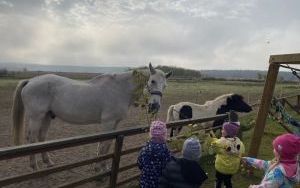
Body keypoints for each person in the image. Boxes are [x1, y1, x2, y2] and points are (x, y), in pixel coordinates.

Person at [210, 121, 245, 188]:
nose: (221, 131)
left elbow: (214, 147)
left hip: (221, 167)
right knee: (228, 180)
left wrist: (212, 139)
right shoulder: (240, 143)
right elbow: (242, 152)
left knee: (218, 180)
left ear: (228, 132)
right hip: (232, 168)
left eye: (223, 129)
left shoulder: (221, 142)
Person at [137, 120, 171, 188]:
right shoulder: (166, 151)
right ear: (164, 135)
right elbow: (169, 166)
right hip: (160, 184)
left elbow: (139, 164)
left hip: (145, 183)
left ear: (151, 134)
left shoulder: (144, 150)